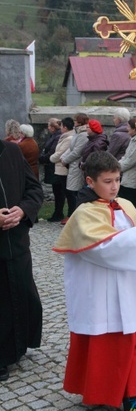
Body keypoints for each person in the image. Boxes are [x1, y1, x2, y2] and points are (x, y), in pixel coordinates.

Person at [53, 151, 136, 411]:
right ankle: (105, 393)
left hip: (127, 289)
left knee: (132, 342)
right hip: (99, 292)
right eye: (108, 181)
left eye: (117, 180)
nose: (114, 186)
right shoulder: (84, 214)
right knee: (106, 344)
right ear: (90, 181)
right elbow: (102, 250)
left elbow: (135, 249)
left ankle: (132, 396)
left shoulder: (125, 205)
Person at [0, 140, 43, 381]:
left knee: (22, 293)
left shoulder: (12, 151)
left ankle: (19, 343)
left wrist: (23, 210)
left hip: (16, 243)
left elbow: (33, 189)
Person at [60, 117, 88, 224]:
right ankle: (73, 215)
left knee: (75, 192)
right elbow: (71, 148)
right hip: (72, 165)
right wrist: (63, 157)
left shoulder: (83, 135)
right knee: (72, 191)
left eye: (76, 121)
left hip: (77, 165)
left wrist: (65, 160)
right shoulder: (77, 133)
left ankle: (76, 216)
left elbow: (77, 151)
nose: (74, 123)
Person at [49, 117, 75, 222]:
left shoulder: (69, 138)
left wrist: (51, 158)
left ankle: (70, 214)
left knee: (67, 193)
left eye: (62, 126)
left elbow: (60, 153)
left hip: (63, 169)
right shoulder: (65, 136)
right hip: (60, 168)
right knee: (63, 192)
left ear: (65, 127)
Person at [118, 117, 136, 215]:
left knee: (133, 203)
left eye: (129, 127)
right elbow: (125, 156)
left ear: (135, 128)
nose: (127, 129)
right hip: (127, 177)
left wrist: (117, 168)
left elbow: (130, 160)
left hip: (132, 179)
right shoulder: (133, 139)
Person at [39, 118, 62, 221]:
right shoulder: (53, 136)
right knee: (56, 190)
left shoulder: (57, 136)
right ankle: (57, 212)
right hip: (50, 166)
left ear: (53, 127)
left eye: (49, 126)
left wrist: (43, 158)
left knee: (59, 191)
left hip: (54, 166)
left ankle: (58, 213)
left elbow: (52, 151)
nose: (48, 128)